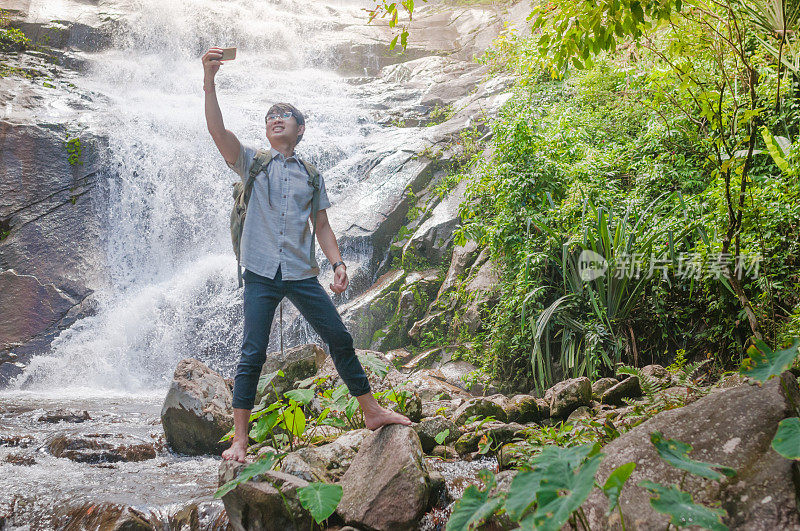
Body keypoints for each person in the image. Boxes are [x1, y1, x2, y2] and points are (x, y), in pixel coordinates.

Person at [201, 47, 411, 463]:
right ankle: (240, 440)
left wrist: (337, 263)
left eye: (285, 114)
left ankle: (371, 411)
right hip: (260, 272)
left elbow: (322, 226)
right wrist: (210, 81)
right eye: (270, 116)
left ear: (300, 130)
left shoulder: (311, 175)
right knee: (252, 352)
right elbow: (217, 131)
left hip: (300, 273)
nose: (275, 117)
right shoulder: (251, 163)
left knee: (339, 336)